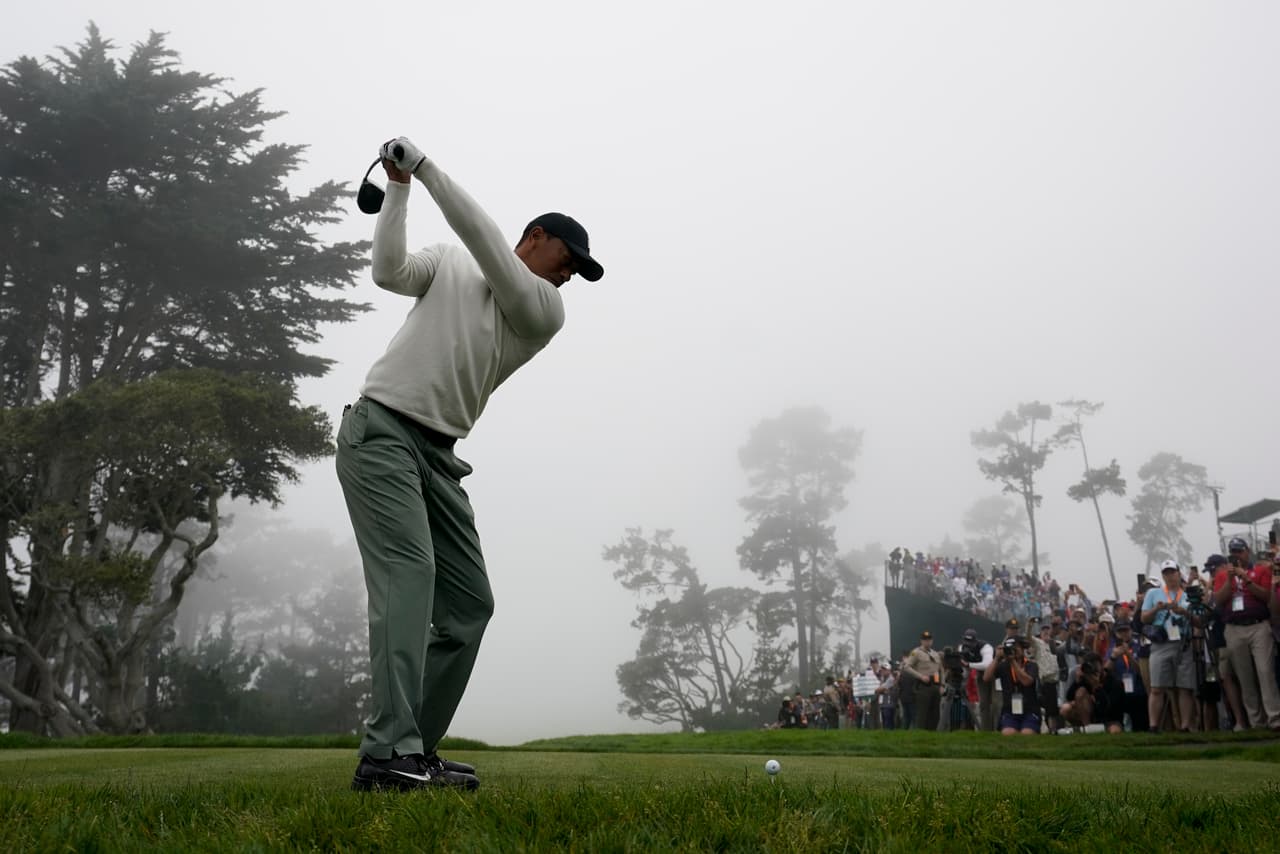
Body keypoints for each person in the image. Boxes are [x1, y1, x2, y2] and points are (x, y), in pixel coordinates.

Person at [338, 137, 604, 791]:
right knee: (410, 571)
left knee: (468, 605)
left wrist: (426, 169)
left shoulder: (542, 310)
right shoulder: (450, 265)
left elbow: (487, 246)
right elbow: (389, 272)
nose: (568, 277)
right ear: (536, 238)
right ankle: (385, 754)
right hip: (380, 435)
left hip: (437, 457)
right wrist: (398, 189)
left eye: (573, 272)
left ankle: (413, 749)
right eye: (567, 261)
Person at [1213, 538, 1280, 731]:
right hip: (1234, 628)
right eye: (1233, 552)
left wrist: (1246, 579)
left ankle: (1274, 719)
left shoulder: (1261, 571)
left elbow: (1266, 596)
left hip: (1258, 626)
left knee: (1265, 672)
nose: (1237, 555)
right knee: (1245, 677)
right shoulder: (1222, 574)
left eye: (1239, 551)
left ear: (1247, 551)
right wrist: (1229, 579)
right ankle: (1256, 721)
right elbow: (1218, 600)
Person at [1141, 560, 1199, 733]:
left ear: (1178, 573)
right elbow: (1143, 618)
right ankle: (1153, 725)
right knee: (1157, 687)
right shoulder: (1153, 593)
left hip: (1183, 643)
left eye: (1172, 572)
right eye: (1166, 573)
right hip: (1161, 643)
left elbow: (1199, 621)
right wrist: (1157, 609)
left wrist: (1185, 612)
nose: (1169, 576)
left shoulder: (1188, 594)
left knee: (1184, 687)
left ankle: (1185, 725)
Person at [984, 637, 1040, 735]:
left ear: (1023, 649)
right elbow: (986, 678)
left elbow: (1026, 682)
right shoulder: (1003, 666)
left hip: (1030, 710)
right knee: (1008, 733)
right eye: (1010, 649)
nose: (1013, 651)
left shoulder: (1031, 665)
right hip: (1009, 710)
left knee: (1026, 733)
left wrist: (1013, 662)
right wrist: (997, 658)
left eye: (1016, 648)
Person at [903, 630, 944, 732]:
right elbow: (907, 667)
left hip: (935, 685)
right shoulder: (916, 653)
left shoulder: (935, 654)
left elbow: (941, 669)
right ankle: (921, 734)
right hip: (923, 686)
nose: (927, 642)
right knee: (922, 714)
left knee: (935, 714)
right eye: (925, 640)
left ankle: (932, 734)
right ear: (921, 641)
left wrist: (942, 685)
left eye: (929, 640)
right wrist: (920, 676)